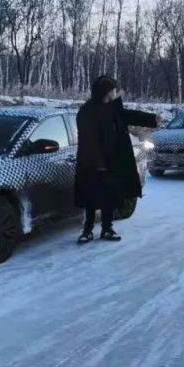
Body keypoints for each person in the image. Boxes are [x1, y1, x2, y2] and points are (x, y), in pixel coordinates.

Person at [75, 76, 159, 243]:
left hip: (111, 161)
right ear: (106, 92)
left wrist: (152, 119)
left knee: (108, 198)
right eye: (113, 90)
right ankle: (87, 230)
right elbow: (88, 139)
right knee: (91, 198)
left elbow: (128, 115)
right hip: (91, 162)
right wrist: (98, 162)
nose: (116, 92)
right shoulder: (88, 110)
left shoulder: (113, 109)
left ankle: (107, 229)